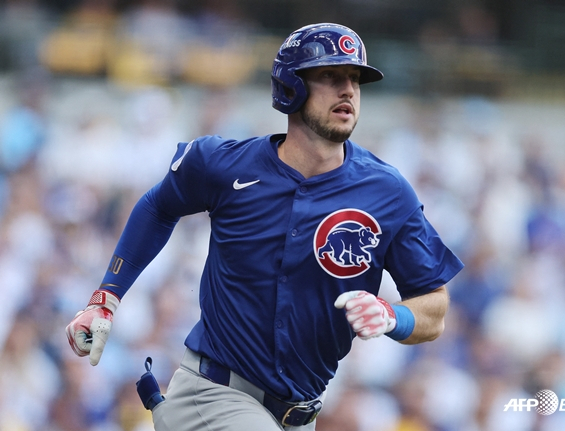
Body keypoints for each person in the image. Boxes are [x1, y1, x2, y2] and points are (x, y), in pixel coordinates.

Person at [65, 22, 464, 430]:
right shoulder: (224, 165)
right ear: (292, 87)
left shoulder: (388, 192)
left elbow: (434, 308)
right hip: (213, 393)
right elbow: (157, 206)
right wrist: (105, 298)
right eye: (331, 75)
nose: (348, 90)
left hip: (299, 415)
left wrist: (393, 315)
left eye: (355, 79)